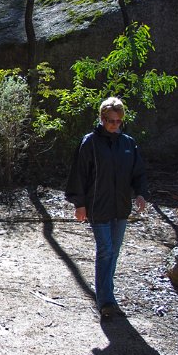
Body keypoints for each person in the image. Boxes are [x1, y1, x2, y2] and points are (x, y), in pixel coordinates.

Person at [65, 97, 148, 319]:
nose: (115, 125)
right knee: (106, 251)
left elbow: (138, 173)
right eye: (111, 121)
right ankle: (106, 302)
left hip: (121, 207)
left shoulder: (128, 144)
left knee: (114, 252)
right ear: (102, 119)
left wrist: (140, 194)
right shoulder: (89, 143)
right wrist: (79, 204)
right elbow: (79, 174)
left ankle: (107, 294)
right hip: (98, 206)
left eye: (119, 121)